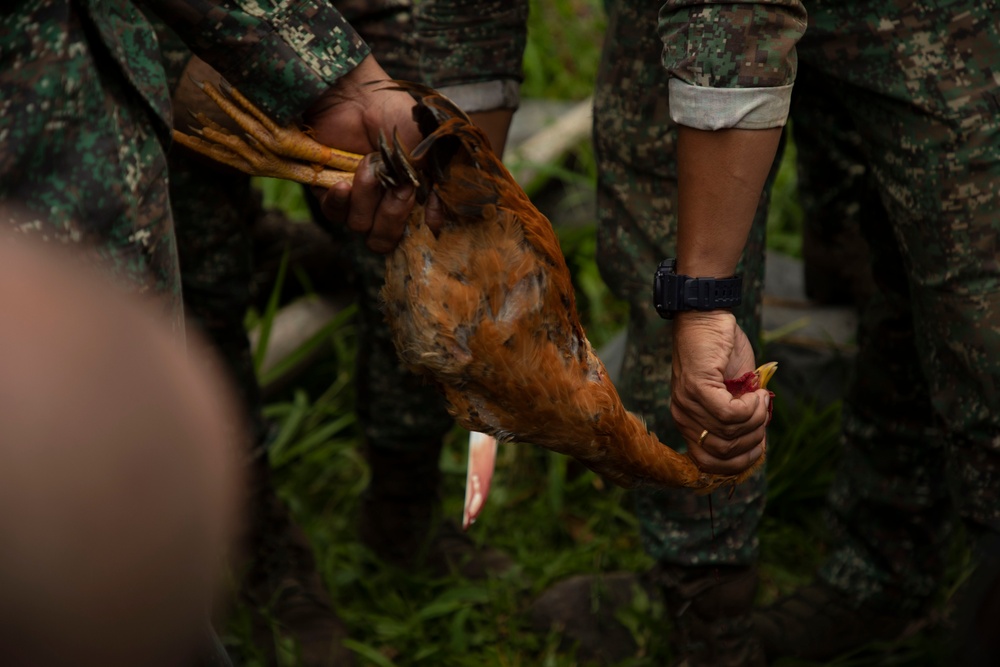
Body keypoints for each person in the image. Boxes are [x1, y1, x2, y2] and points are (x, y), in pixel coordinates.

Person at [657, 0, 1000, 663]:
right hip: (721, 28)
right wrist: (705, 298)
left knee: (977, 313)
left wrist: (702, 297)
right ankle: (873, 579)